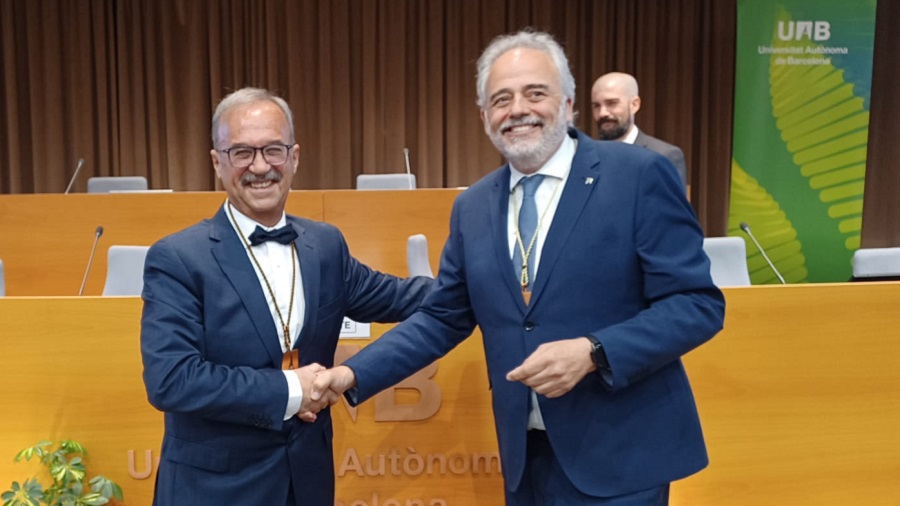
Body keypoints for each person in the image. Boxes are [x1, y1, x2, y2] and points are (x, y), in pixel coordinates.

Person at [311, 31, 725, 505]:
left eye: (535, 93)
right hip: (525, 459)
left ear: (568, 102)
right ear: (484, 116)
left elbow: (696, 304)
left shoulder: (637, 175)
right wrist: (352, 374)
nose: (518, 109)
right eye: (501, 99)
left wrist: (595, 351)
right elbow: (443, 316)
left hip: (621, 455)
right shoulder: (473, 206)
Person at [139, 87, 433, 506]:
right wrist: (290, 389)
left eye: (273, 150)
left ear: (294, 157)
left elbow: (402, 297)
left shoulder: (326, 245)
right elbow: (172, 380)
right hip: (214, 491)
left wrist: (491, 284)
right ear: (217, 162)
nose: (260, 167)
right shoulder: (178, 258)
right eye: (242, 152)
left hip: (307, 483)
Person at [590, 72, 688, 188]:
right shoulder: (586, 156)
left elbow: (671, 205)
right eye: (596, 106)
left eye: (612, 103)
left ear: (634, 105)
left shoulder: (664, 156)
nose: (602, 113)